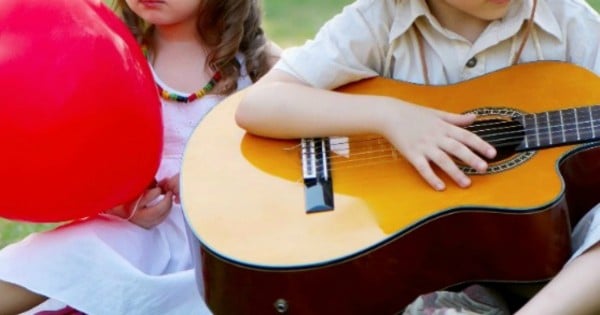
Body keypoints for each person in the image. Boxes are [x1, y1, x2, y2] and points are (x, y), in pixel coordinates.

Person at [235, 0, 600, 314]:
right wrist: (390, 116)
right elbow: (258, 104)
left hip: (549, 252)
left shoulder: (568, 21)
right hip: (418, 254)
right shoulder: (379, 20)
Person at [0, 0, 279, 314]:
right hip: (140, 231)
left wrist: (209, 183)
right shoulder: (110, 50)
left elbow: (280, 165)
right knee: (67, 251)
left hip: (223, 239)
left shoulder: (260, 65)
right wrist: (122, 206)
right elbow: (89, 155)